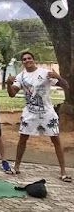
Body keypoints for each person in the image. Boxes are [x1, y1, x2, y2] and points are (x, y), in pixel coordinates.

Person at [6, 51, 71, 181]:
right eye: (24, 59)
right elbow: (12, 94)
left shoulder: (45, 73)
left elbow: (66, 86)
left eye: (29, 58)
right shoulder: (21, 76)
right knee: (23, 138)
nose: (27, 60)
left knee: (56, 140)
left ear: (33, 59)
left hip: (47, 111)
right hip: (30, 112)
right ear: (22, 62)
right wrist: (8, 84)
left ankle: (63, 172)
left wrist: (58, 76)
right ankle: (16, 167)